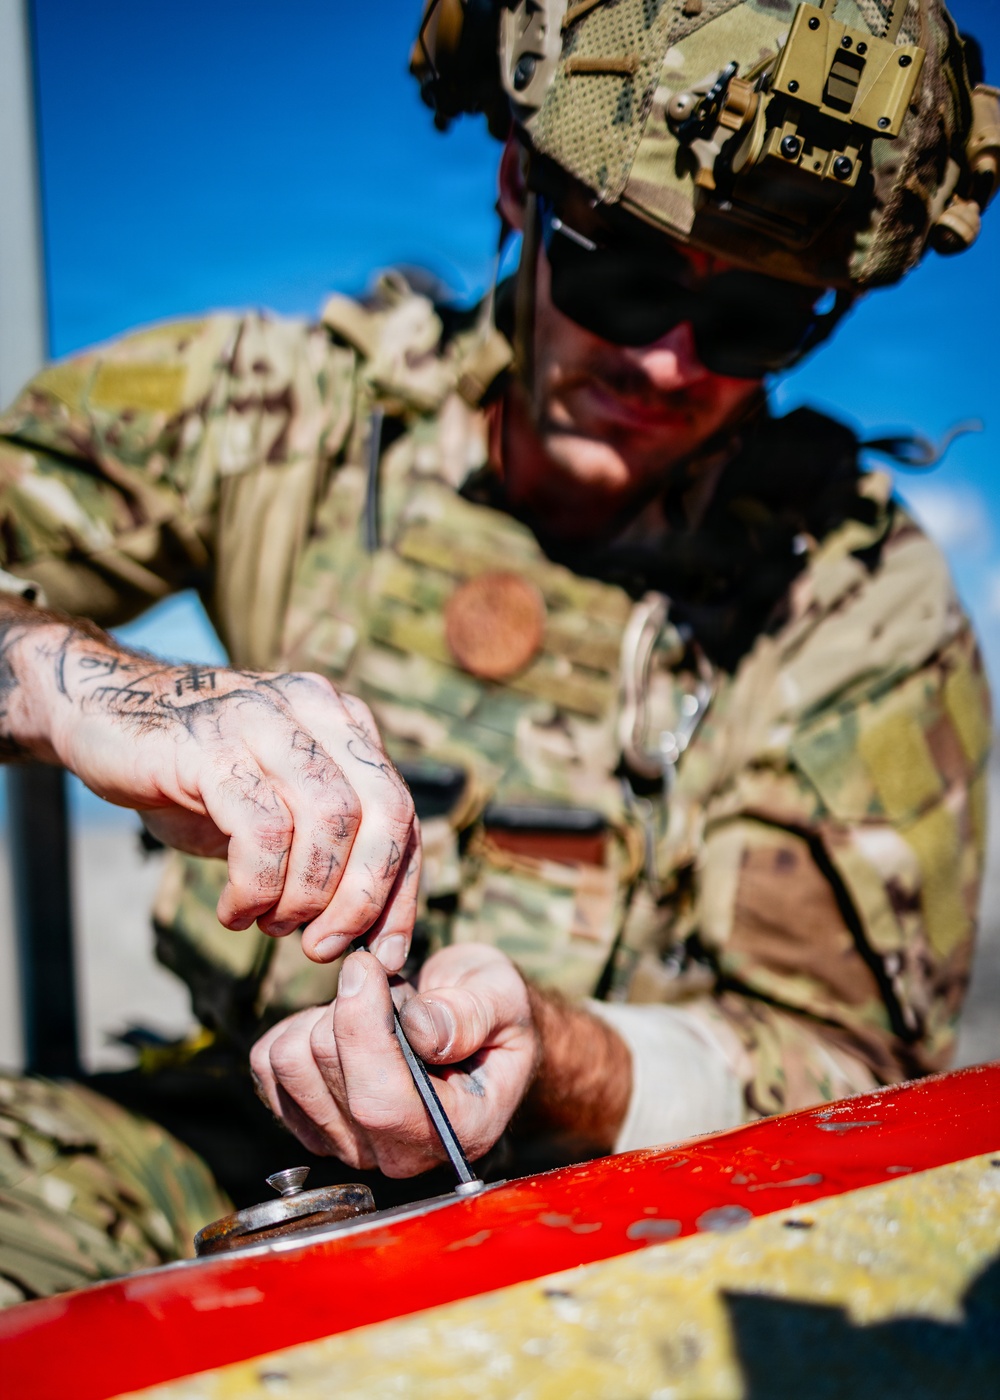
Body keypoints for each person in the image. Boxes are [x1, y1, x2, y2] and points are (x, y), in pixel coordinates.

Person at [0, 0, 996, 1301]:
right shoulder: (286, 416)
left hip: (630, 1222)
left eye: (754, 318)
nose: (665, 363)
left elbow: (853, 1083)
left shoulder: (855, 602)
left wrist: (565, 1057)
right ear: (523, 188)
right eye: (624, 273)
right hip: (211, 1156)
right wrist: (91, 691)